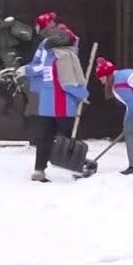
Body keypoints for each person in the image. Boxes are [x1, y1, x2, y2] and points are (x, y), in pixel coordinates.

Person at [20, 23, 90, 182]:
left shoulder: (48, 57)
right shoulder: (65, 56)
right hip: (64, 104)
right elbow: (68, 83)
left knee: (45, 137)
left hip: (46, 104)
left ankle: (39, 170)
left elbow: (36, 75)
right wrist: (83, 95)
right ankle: (74, 167)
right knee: (67, 140)